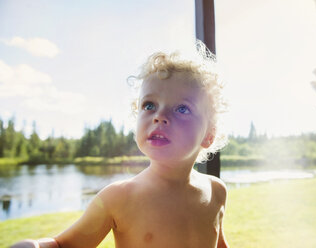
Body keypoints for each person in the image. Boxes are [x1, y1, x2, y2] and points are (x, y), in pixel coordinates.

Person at [11, 45, 229, 248]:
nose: (159, 117)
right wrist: (36, 246)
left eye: (182, 108)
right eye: (149, 105)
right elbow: (65, 245)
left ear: (208, 135)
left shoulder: (216, 191)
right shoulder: (120, 197)